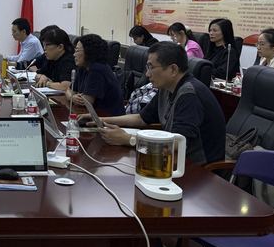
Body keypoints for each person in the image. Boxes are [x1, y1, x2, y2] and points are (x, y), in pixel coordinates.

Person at [91, 42, 226, 165]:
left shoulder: (189, 94)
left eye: (151, 67)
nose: (147, 74)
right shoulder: (166, 88)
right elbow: (141, 118)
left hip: (197, 169)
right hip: (173, 160)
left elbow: (178, 143)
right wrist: (101, 120)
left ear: (173, 70)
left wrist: (128, 139)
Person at [65, 33, 124, 116]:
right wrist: (72, 97)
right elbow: (69, 90)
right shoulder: (83, 67)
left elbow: (86, 102)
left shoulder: (97, 69)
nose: (74, 54)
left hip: (108, 117)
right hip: (93, 114)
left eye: (77, 51)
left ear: (88, 52)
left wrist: (73, 96)